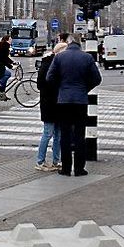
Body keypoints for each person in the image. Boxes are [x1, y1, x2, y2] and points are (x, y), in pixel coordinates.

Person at [47, 36, 102, 177]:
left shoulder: (59, 57)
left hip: (64, 101)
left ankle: (65, 168)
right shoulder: (87, 58)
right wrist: (85, 88)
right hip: (80, 101)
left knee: (65, 135)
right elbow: (97, 79)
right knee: (79, 135)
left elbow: (49, 77)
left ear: (69, 43)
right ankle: (79, 168)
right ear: (80, 44)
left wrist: (61, 88)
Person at [35, 41, 67, 171]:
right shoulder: (50, 65)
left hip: (55, 103)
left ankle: (56, 160)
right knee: (48, 133)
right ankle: (40, 161)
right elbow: (42, 84)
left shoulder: (50, 63)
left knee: (58, 134)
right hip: (50, 103)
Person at [0, 36, 15, 100]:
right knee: (8, 74)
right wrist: (10, 66)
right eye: (10, 39)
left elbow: (5, 57)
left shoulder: (1, 45)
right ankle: (0, 87)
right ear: (7, 40)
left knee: (4, 78)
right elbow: (3, 59)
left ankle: (3, 94)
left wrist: (12, 62)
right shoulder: (5, 46)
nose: (11, 40)